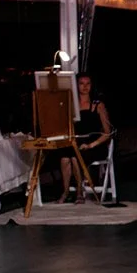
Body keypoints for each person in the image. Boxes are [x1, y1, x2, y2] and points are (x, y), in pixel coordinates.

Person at [57, 74, 112, 203]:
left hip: (94, 144)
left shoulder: (97, 105)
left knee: (76, 156)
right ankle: (65, 192)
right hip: (77, 142)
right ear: (76, 85)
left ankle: (79, 192)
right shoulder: (72, 105)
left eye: (88, 83)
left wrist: (91, 145)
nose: (85, 87)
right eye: (82, 83)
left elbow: (107, 132)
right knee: (65, 157)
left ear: (92, 86)